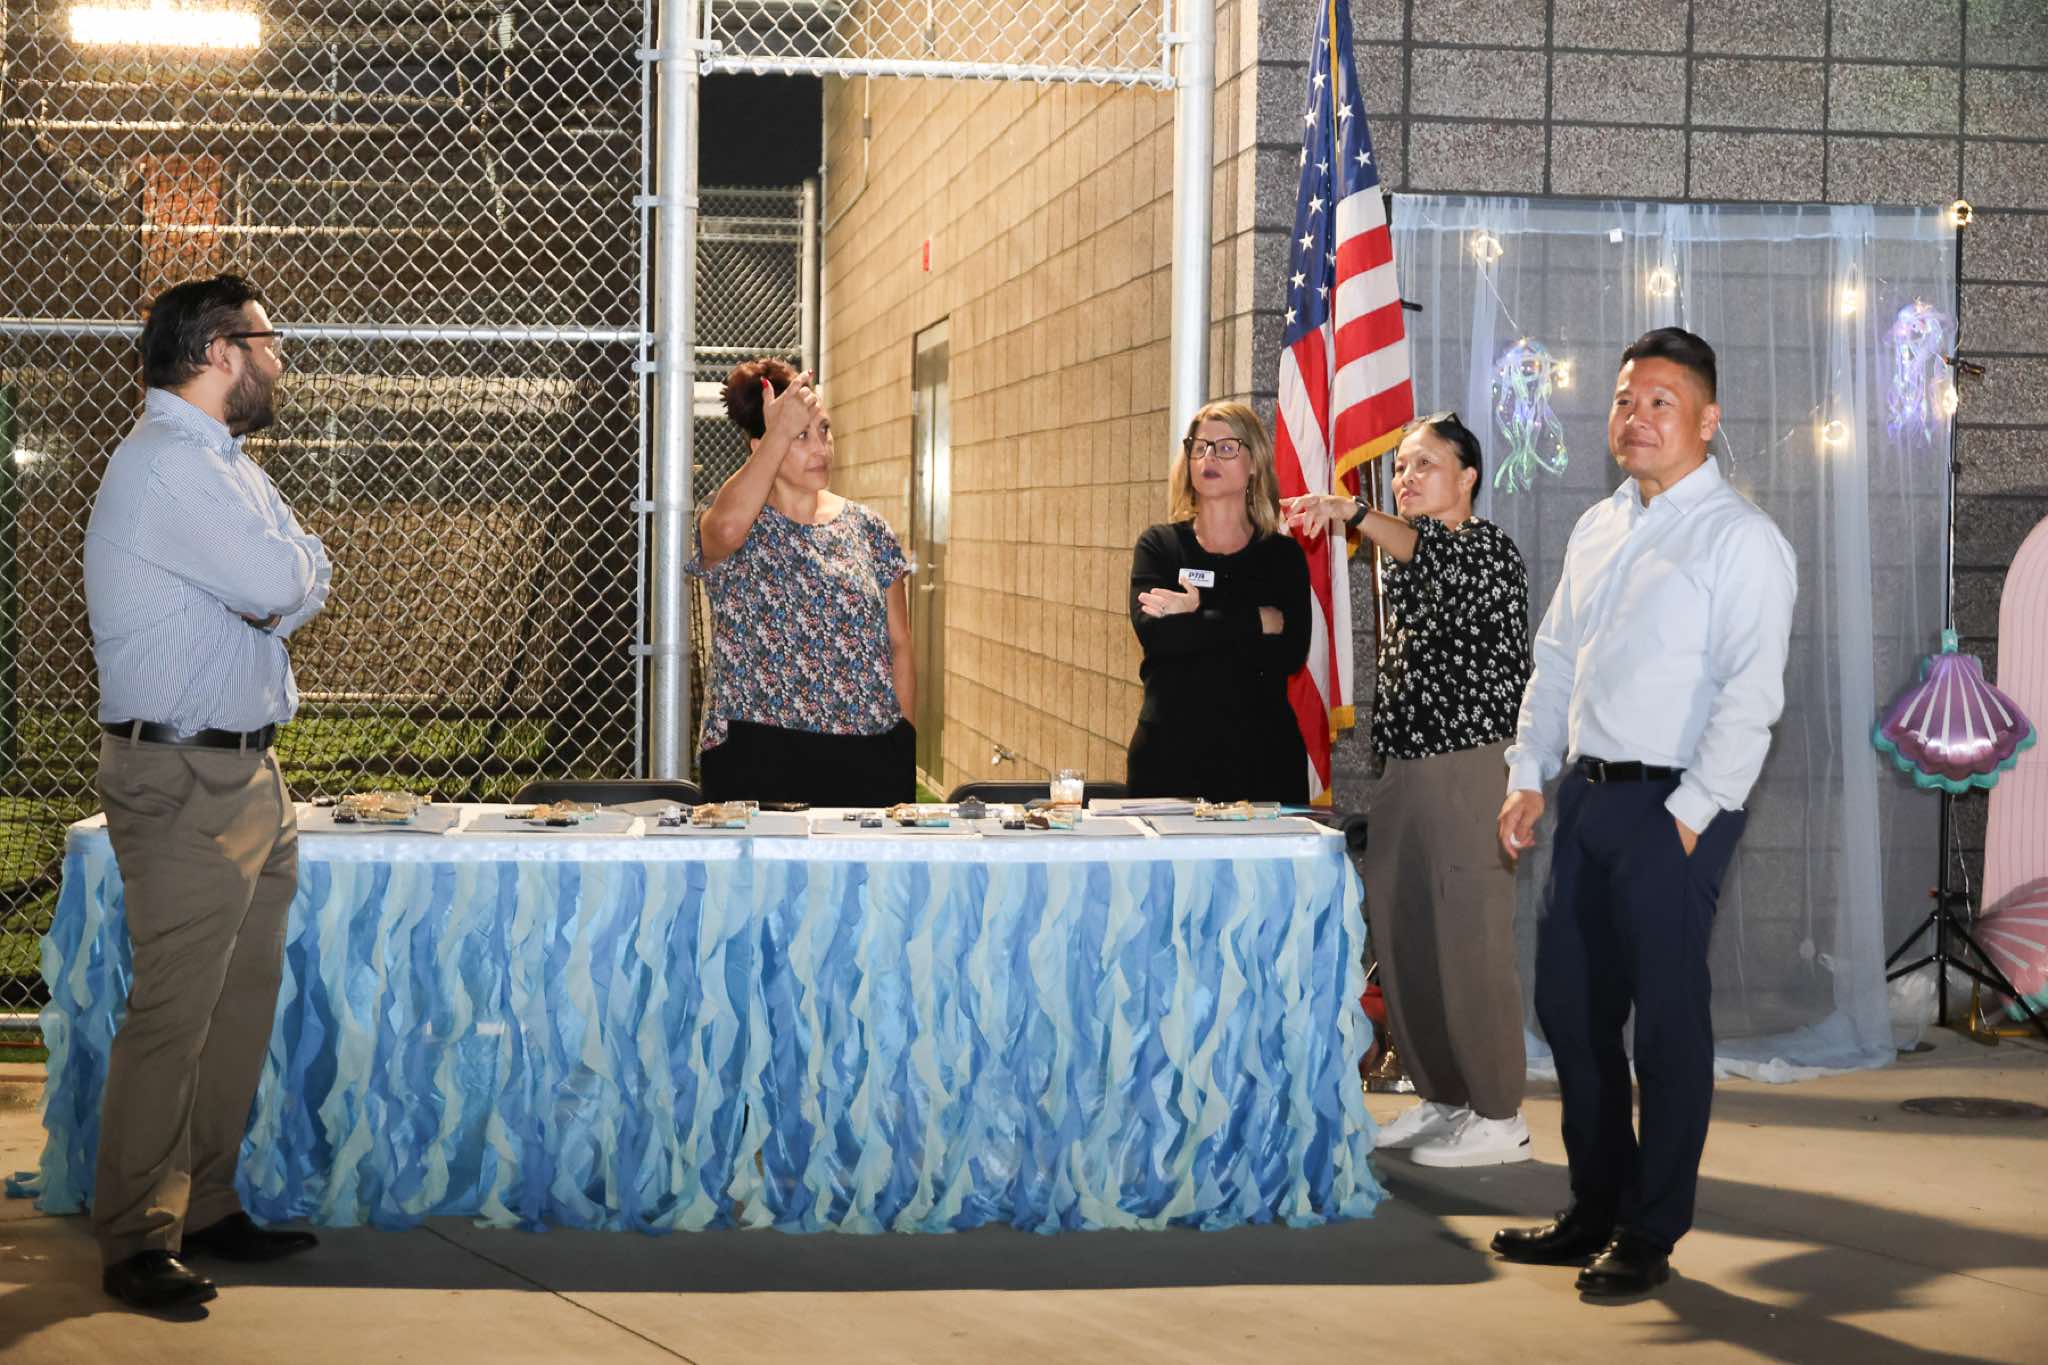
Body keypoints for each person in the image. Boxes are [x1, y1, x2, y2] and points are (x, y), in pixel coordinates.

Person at [1492, 328, 1796, 1297]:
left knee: (1663, 1025)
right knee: (1571, 1011)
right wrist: (1529, 773)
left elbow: (1751, 697)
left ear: (1707, 420)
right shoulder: (1599, 525)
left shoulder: (1742, 539)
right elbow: (1554, 661)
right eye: (1626, 399)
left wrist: (1691, 817)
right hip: (1586, 796)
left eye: (1661, 401)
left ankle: (1650, 1230)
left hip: (1677, 804)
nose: (1636, 416)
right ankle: (1595, 1206)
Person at [83, 274, 330, 1317]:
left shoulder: (226, 465)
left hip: (250, 771)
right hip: (184, 776)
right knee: (175, 1013)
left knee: (238, 1005)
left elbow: (305, 574)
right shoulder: (169, 465)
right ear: (222, 350)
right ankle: (138, 1235)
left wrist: (284, 583)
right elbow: (283, 584)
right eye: (269, 341)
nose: (281, 359)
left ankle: (208, 1203)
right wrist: (282, 585)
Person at [1283, 411, 1533, 1168]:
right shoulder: (1406, 556)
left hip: (1469, 764)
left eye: (1425, 464)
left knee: (1470, 937)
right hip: (1404, 767)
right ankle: (1446, 1097)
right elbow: (1414, 552)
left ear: (1468, 477)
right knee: (1404, 936)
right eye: (1399, 467)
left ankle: (1500, 1113)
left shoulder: (1484, 547)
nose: (1406, 477)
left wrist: (1352, 510)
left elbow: (1430, 549)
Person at [690, 357, 915, 806]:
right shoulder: (736, 522)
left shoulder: (868, 528)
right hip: (756, 753)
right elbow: (724, 530)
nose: (821, 449)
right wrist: (779, 432)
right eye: (801, 435)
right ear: (763, 446)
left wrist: (903, 739)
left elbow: (900, 644)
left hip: (869, 752)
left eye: (824, 430)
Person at [1126, 401, 1310, 803]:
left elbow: (1291, 653)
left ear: (1254, 463)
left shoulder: (1282, 556)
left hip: (1264, 760)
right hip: (1169, 760)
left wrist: (1194, 619)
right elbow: (1159, 637)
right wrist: (1257, 622)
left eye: (1226, 448)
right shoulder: (1160, 547)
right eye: (1200, 447)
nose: (1208, 457)